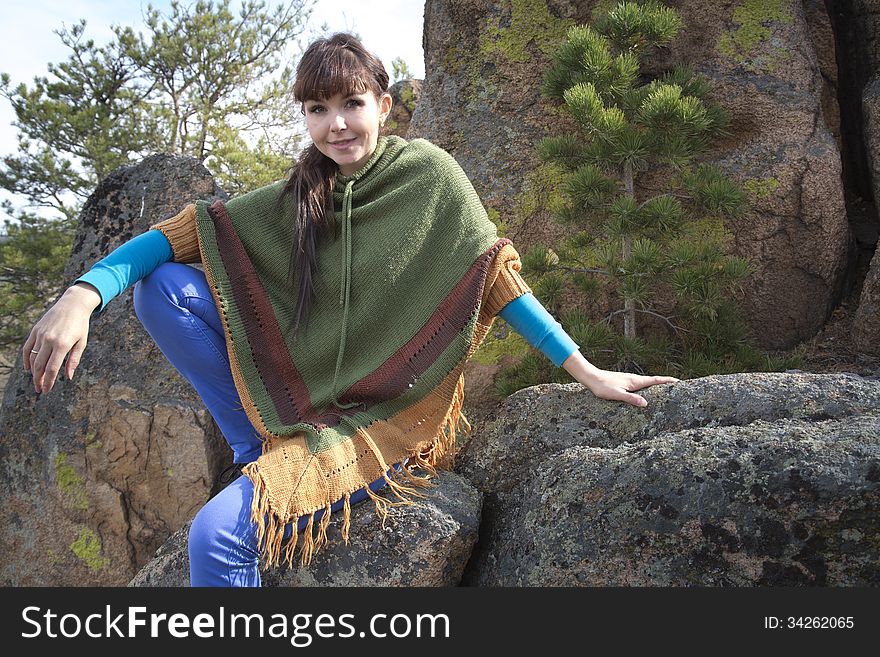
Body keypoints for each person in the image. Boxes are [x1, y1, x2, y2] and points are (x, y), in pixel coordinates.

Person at [21, 33, 680, 587]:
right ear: (304, 117)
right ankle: (263, 444)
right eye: (316, 107)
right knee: (160, 288)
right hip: (304, 408)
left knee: (216, 536)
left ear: (384, 106)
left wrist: (589, 372)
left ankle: (283, 459)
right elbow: (176, 235)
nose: (335, 122)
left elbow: (497, 280)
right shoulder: (299, 194)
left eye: (351, 103)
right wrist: (82, 294)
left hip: (386, 421)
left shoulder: (431, 177)